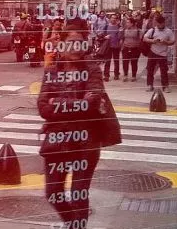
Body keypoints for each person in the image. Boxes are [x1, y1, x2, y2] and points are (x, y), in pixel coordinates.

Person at [38, 18, 122, 228]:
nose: (76, 47)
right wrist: (76, 105)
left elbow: (92, 103)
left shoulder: (92, 68)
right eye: (71, 42)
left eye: (80, 43)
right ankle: (71, 224)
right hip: (57, 139)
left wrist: (57, 103)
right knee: (53, 193)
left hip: (86, 140)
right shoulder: (52, 70)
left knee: (78, 195)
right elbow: (43, 107)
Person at [142, 15, 175, 92]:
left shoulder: (168, 31)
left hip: (163, 54)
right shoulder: (152, 30)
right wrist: (153, 41)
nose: (159, 25)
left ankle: (165, 86)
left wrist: (166, 42)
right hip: (153, 52)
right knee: (150, 70)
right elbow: (145, 38)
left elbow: (173, 41)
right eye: (158, 24)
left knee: (164, 71)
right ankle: (150, 85)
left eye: (161, 24)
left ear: (164, 23)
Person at [102, 14, 123, 82]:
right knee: (107, 61)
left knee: (116, 61)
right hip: (108, 46)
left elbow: (120, 37)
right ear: (110, 19)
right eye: (112, 18)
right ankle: (106, 76)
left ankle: (116, 74)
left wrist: (120, 31)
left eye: (115, 18)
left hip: (116, 46)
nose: (113, 19)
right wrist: (105, 37)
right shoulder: (106, 26)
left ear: (117, 20)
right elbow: (103, 34)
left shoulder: (119, 27)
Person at [121, 18, 142, 82]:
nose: (127, 24)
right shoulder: (124, 30)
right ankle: (125, 75)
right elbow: (122, 38)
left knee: (134, 62)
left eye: (128, 22)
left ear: (132, 23)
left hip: (135, 48)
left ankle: (133, 76)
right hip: (126, 47)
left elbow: (141, 39)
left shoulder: (138, 30)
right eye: (126, 22)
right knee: (125, 62)